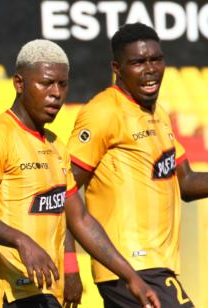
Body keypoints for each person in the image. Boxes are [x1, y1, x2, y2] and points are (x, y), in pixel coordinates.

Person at [0, 39, 160, 308]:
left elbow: (81, 220)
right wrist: (21, 241)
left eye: (62, 84)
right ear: (19, 83)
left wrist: (130, 277)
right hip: (7, 294)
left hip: (46, 292)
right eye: (46, 83)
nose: (56, 93)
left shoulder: (57, 147)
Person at [67, 22, 208, 308]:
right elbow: (61, 190)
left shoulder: (159, 115)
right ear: (117, 67)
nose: (150, 69)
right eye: (138, 62)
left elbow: (187, 183)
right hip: (129, 264)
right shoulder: (102, 113)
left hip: (157, 265)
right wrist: (70, 266)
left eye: (156, 59)